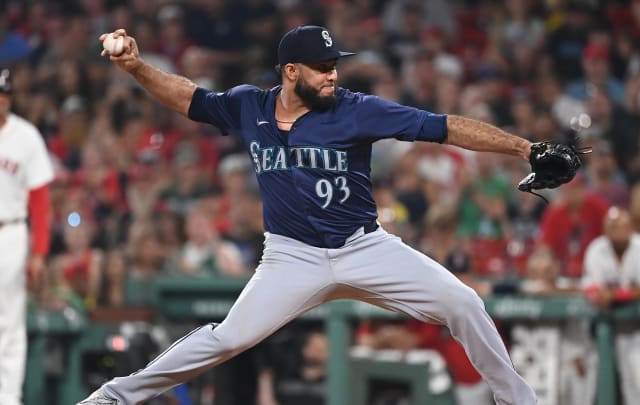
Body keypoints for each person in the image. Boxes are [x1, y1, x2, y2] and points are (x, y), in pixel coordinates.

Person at [79, 25, 538, 404]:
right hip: (291, 256)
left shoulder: (357, 110)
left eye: (334, 66)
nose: (332, 75)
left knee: (464, 304)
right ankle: (112, 399)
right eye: (321, 68)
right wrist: (137, 67)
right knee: (227, 339)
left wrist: (524, 147)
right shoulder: (249, 106)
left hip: (364, 246)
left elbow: (442, 126)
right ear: (291, 71)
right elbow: (188, 98)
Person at [0, 67, 54, 405]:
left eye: (4, 94)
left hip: (10, 233)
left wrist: (39, 251)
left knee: (10, 320)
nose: (0, 100)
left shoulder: (26, 135)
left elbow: (41, 201)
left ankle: (7, 397)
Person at [581, 207, 640, 405]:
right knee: (627, 375)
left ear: (631, 227)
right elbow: (590, 285)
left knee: (638, 366)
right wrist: (597, 296)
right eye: (613, 226)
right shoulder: (597, 248)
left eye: (623, 225)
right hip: (624, 320)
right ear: (605, 229)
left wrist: (612, 295)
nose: (618, 230)